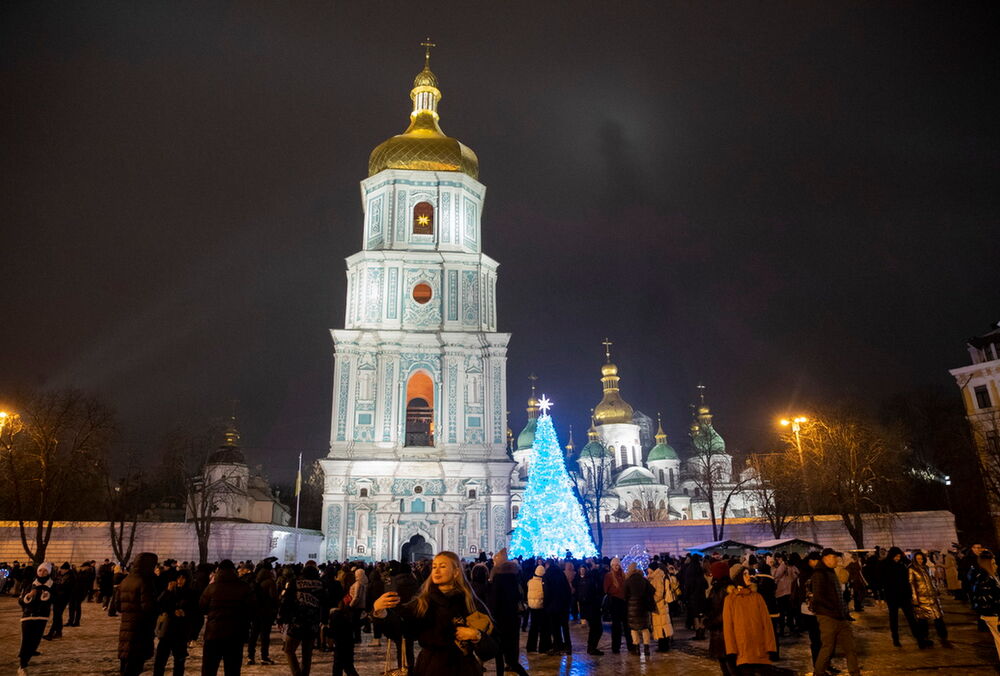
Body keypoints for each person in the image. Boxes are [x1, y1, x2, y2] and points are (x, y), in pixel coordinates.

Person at [372, 551, 497, 676]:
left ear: (456, 572)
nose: (436, 571)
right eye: (434, 567)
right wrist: (381, 612)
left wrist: (476, 635)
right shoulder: (423, 601)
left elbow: (492, 646)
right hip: (430, 667)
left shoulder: (469, 602)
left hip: (463, 668)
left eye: (442, 567)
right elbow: (403, 630)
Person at [200, 559, 255, 676]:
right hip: (235, 635)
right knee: (232, 670)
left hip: (213, 635)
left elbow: (202, 607)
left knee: (209, 669)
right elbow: (251, 609)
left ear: (218, 571)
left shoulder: (211, 588)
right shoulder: (244, 587)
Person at [811, 549, 861, 676]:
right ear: (826, 558)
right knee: (828, 647)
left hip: (840, 616)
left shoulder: (830, 571)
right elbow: (818, 597)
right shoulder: (819, 573)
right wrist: (833, 609)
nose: (836, 560)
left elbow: (843, 582)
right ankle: (819, 672)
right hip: (827, 616)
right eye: (834, 557)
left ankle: (855, 672)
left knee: (850, 646)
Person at [722, 563, 777, 674]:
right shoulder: (730, 600)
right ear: (738, 578)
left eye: (748, 574)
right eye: (745, 574)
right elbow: (728, 627)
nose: (749, 577)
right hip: (743, 651)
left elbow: (767, 624)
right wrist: (731, 651)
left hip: (760, 650)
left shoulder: (757, 597)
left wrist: (771, 646)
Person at [486, 549, 529, 676]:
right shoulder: (514, 581)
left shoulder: (497, 582)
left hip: (500, 623)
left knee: (499, 656)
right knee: (512, 659)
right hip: (513, 622)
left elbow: (494, 605)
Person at [279, 562, 325, 676]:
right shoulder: (321, 584)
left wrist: (283, 618)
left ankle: (297, 673)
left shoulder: (296, 583)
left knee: (289, 650)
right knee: (307, 654)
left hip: (297, 622)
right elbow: (325, 603)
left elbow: (286, 601)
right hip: (312, 623)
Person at [118, 552, 160, 676]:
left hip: (126, 627)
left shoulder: (126, 580)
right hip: (141, 628)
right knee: (135, 664)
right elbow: (148, 607)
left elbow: (118, 606)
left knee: (126, 660)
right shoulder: (144, 582)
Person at [153, 568, 197, 676]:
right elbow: (158, 605)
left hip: (181, 632)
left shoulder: (191, 593)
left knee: (179, 662)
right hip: (167, 630)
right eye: (178, 578)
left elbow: (196, 613)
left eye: (183, 578)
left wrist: (185, 613)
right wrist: (167, 591)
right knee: (160, 661)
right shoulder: (171, 590)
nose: (180, 580)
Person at [18, 562, 54, 676]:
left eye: (45, 571)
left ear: (49, 572)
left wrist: (46, 598)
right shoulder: (30, 584)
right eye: (40, 570)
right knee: (26, 640)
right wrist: (28, 596)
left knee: (35, 640)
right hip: (28, 616)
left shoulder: (52, 585)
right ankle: (22, 665)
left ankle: (30, 652)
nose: (42, 573)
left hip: (42, 617)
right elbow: (20, 601)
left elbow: (57, 600)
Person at [908, 550, 948, 648]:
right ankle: (923, 638)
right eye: (918, 559)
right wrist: (915, 599)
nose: (920, 560)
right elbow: (911, 584)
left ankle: (943, 636)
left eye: (921, 558)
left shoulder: (926, 567)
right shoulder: (911, 569)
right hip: (921, 598)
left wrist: (935, 590)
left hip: (932, 597)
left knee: (938, 617)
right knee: (922, 620)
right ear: (914, 559)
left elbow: (931, 580)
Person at [883, 546, 921, 647]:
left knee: (911, 617)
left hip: (904, 595)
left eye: (899, 556)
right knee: (894, 618)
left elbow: (907, 577)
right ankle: (895, 639)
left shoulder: (902, 565)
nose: (898, 558)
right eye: (896, 556)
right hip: (892, 596)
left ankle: (919, 638)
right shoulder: (885, 565)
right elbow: (882, 581)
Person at [707, 560, 736, 675]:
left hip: (724, 631)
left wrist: (711, 621)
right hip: (718, 632)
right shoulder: (717, 587)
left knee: (730, 664)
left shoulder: (726, 589)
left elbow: (726, 612)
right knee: (724, 663)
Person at [247, 560, 279, 665]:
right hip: (266, 611)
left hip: (255, 610)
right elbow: (273, 597)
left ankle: (250, 656)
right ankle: (264, 656)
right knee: (265, 635)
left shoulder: (256, 580)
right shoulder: (270, 582)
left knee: (254, 634)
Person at [971, 550, 1000, 659]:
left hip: (994, 613)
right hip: (993, 615)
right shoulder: (985, 578)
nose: (996, 566)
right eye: (993, 563)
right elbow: (988, 599)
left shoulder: (991, 576)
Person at [623, 562, 655, 656]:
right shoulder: (644, 580)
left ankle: (636, 648)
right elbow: (652, 590)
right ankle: (646, 648)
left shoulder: (628, 581)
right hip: (643, 606)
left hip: (632, 607)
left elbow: (624, 595)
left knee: (634, 629)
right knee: (645, 628)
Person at [603, 556, 633, 653]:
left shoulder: (623, 575)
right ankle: (616, 647)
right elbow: (606, 589)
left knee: (627, 625)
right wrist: (615, 591)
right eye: (614, 565)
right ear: (612, 566)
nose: (616, 567)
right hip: (615, 602)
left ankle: (630, 645)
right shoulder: (609, 576)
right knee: (616, 626)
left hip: (624, 602)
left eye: (618, 565)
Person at [543, 560, 572, 654]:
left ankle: (557, 646)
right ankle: (568, 647)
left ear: (547, 565)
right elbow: (567, 589)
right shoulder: (561, 574)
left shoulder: (547, 575)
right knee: (565, 627)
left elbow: (546, 592)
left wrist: (546, 604)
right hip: (563, 604)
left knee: (555, 628)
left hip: (552, 605)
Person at [576, 562, 605, 655]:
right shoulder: (591, 581)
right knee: (597, 629)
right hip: (593, 608)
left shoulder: (583, 581)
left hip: (588, 609)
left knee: (593, 629)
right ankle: (592, 648)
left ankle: (591, 647)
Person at [647, 560, 673, 652]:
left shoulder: (657, 578)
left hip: (659, 605)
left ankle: (663, 646)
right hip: (661, 605)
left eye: (649, 571)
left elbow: (659, 593)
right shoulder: (659, 575)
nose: (648, 573)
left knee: (661, 626)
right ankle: (664, 645)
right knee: (662, 625)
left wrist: (651, 601)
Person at [525, 563, 549, 653]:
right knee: (543, 628)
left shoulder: (530, 582)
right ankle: (543, 647)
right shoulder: (543, 583)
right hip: (541, 606)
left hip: (532, 606)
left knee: (533, 627)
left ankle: (531, 646)